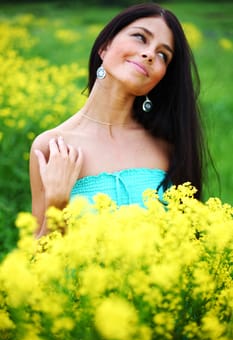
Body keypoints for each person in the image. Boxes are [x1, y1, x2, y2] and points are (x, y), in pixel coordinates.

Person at [30, 3, 206, 238]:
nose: (150, 54)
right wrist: (57, 205)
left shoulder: (166, 147)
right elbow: (38, 266)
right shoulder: (53, 147)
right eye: (140, 37)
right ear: (104, 46)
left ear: (160, 78)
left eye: (163, 54)